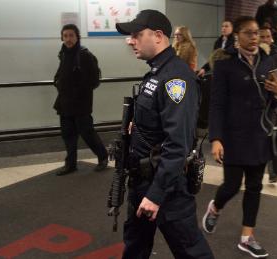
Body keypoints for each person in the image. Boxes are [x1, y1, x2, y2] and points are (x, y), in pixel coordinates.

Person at [115, 9, 214, 259]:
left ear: (158, 36)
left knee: (191, 251)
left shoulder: (176, 78)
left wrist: (155, 194)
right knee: (135, 246)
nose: (130, 40)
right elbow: (158, 124)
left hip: (165, 187)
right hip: (142, 179)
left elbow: (178, 144)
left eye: (137, 35)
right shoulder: (156, 72)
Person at [202, 16, 277, 258]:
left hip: (260, 134)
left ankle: (247, 237)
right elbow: (216, 104)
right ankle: (215, 207)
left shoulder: (268, 61)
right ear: (237, 35)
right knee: (231, 185)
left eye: (256, 33)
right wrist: (216, 138)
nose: (254, 38)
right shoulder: (225, 64)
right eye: (248, 33)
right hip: (234, 136)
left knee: (254, 186)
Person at [53, 24, 108, 176]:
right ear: (62, 38)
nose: (68, 39)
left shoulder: (84, 55)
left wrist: (78, 91)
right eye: (65, 36)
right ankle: (70, 164)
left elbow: (94, 80)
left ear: (77, 37)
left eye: (71, 35)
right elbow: (60, 74)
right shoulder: (63, 54)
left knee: (87, 132)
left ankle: (103, 157)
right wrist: (57, 82)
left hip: (80, 104)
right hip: (65, 103)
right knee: (68, 134)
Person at [259, 27, 277, 183]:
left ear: (272, 38)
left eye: (267, 36)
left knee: (272, 137)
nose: (265, 39)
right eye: (261, 36)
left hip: (273, 104)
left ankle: (273, 172)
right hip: (256, 105)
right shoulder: (253, 56)